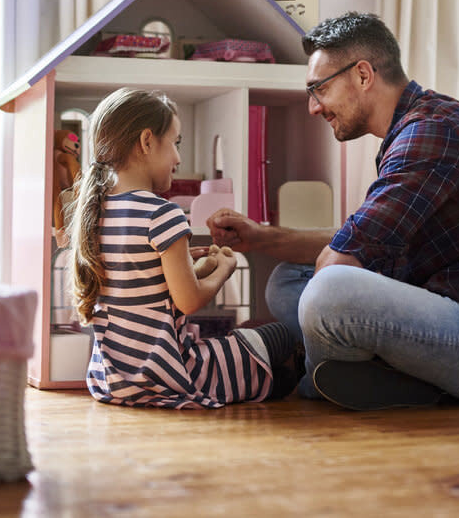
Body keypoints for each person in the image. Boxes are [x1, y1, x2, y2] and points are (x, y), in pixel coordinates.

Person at [208, 11, 459, 411]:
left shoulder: (430, 134)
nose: (314, 107)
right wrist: (263, 238)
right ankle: (378, 377)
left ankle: (316, 375)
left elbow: (339, 265)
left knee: (327, 290)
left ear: (363, 75)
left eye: (319, 89)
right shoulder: (417, 126)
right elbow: (364, 241)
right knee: (287, 280)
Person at [69, 87, 295, 409]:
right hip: (172, 376)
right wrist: (224, 271)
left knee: (276, 376)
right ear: (147, 141)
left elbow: (143, 283)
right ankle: (273, 380)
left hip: (113, 382)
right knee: (281, 335)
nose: (177, 158)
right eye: (175, 144)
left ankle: (268, 382)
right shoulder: (163, 213)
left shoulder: (98, 212)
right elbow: (189, 301)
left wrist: (193, 267)